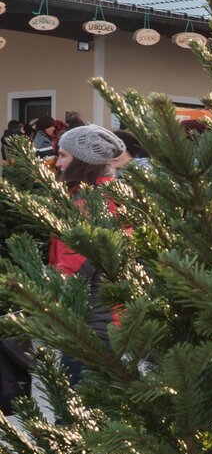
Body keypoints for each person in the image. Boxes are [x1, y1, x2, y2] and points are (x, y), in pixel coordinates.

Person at [51, 125, 127, 383]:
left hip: (91, 320)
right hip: (109, 319)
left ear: (83, 161)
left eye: (63, 156)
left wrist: (43, 294)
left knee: (76, 404)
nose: (57, 163)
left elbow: (76, 262)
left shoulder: (92, 201)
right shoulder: (112, 192)